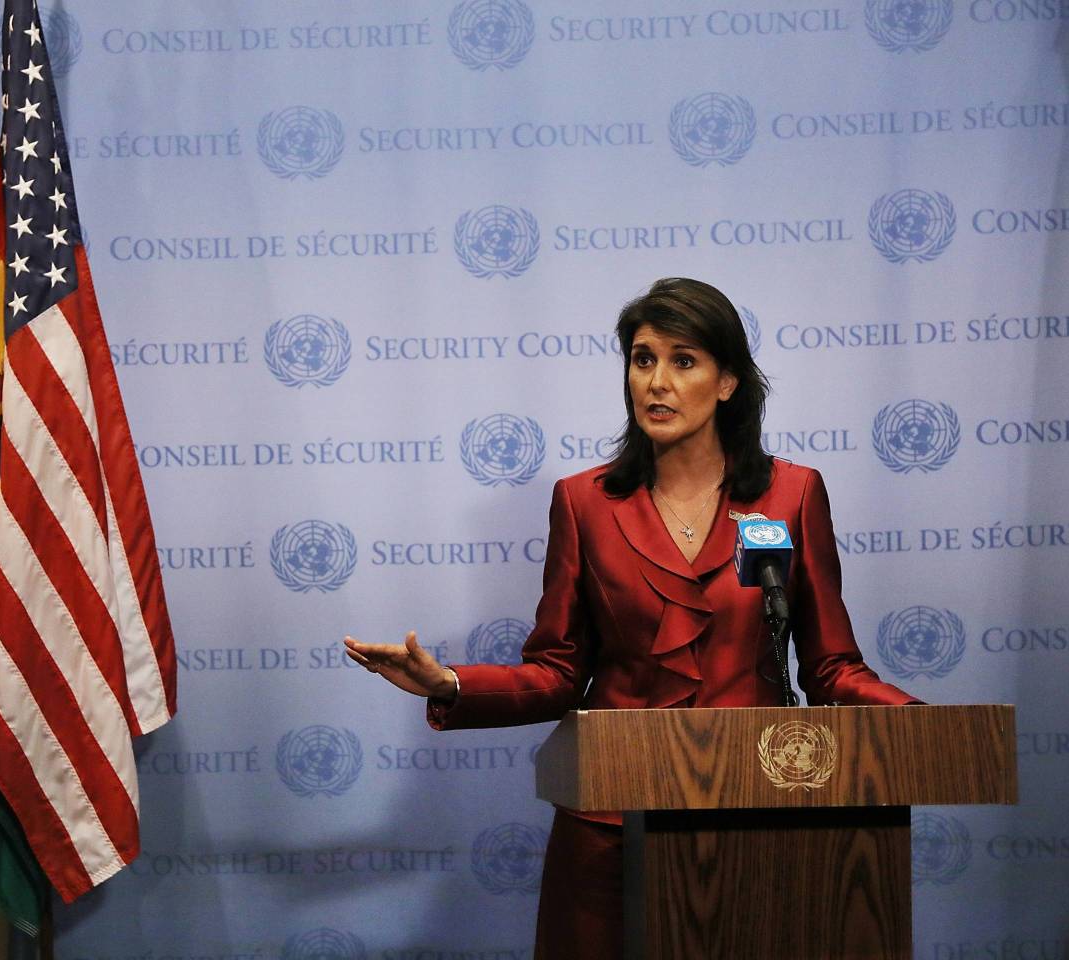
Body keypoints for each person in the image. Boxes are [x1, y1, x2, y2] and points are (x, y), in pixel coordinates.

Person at [344, 277, 919, 959]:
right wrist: (450, 686)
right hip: (609, 828)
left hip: (754, 817)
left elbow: (830, 667)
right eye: (643, 359)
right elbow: (557, 672)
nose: (657, 381)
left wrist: (918, 723)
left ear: (728, 381)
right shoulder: (585, 504)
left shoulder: (790, 496)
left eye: (684, 360)